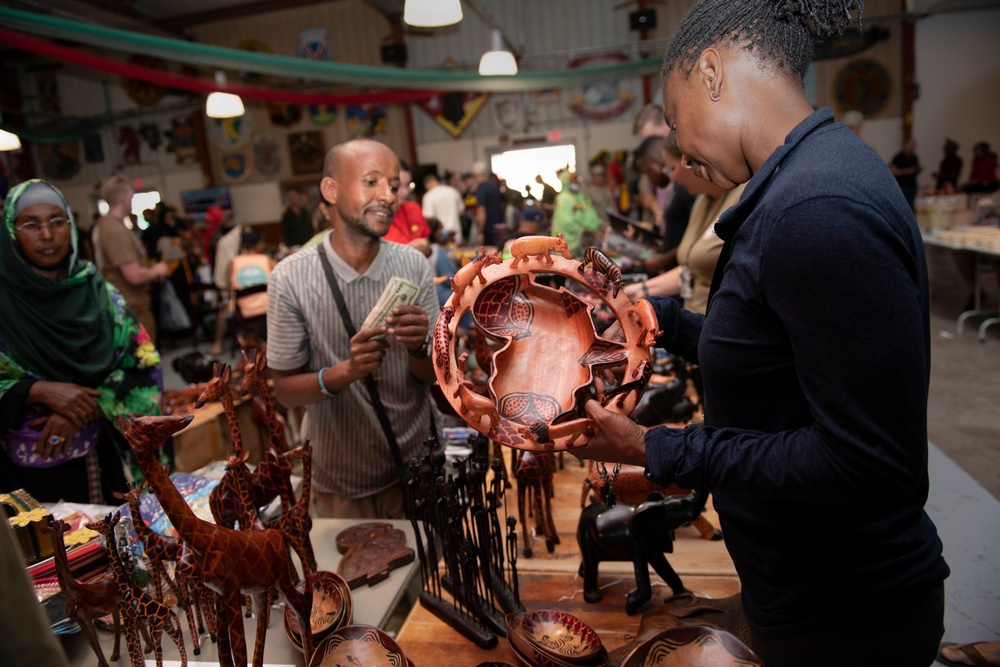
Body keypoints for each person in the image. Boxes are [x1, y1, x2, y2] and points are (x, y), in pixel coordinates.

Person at [575, 2, 949, 665]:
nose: (678, 145)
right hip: (805, 590)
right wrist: (668, 326)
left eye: (673, 114)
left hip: (846, 616)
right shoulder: (798, 184)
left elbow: (867, 461)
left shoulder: (816, 208)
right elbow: (779, 355)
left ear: (710, 73)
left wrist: (659, 447)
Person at [266, 139, 439, 520]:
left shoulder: (413, 265)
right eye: (372, 182)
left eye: (393, 186)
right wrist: (348, 371)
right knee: (350, 579)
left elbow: (431, 378)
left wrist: (418, 348)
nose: (387, 196)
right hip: (340, 482)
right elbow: (285, 390)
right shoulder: (291, 278)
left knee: (421, 576)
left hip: (416, 467)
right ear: (331, 190)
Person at [0, 180, 164, 505]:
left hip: (99, 464)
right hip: (15, 479)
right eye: (31, 225)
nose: (47, 235)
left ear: (71, 226)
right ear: (10, 230)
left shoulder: (99, 294)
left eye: (57, 222)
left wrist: (85, 407)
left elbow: (144, 366)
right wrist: (39, 391)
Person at [627, 135, 746, 315]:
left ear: (695, 162)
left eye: (672, 168)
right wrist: (639, 291)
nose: (672, 178)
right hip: (698, 320)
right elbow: (690, 271)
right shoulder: (701, 203)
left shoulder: (741, 199)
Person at [93, 175, 169, 344]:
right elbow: (134, 276)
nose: (132, 200)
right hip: (131, 307)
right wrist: (156, 270)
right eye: (131, 196)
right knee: (143, 360)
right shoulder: (114, 231)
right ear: (123, 197)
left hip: (128, 305)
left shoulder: (108, 225)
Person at [632, 135, 697, 275]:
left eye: (672, 168)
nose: (672, 176)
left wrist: (663, 260)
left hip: (683, 271)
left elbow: (693, 241)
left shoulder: (688, 190)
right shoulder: (679, 188)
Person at [550, 169, 604, 257]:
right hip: (571, 241)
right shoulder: (563, 198)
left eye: (578, 179)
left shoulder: (580, 196)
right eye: (574, 179)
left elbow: (590, 213)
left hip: (586, 240)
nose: (577, 181)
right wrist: (587, 231)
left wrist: (599, 225)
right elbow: (567, 222)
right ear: (566, 180)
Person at [384, 160, 431, 255]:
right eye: (399, 186)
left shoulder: (414, 209)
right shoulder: (377, 217)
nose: (406, 192)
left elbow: (426, 242)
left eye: (408, 185)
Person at [421, 172, 465, 245]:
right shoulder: (452, 191)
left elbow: (428, 218)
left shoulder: (428, 196)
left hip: (441, 239)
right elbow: (461, 211)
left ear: (427, 184)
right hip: (456, 235)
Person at [473, 161, 504, 248]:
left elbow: (481, 211)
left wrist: (480, 231)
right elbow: (502, 206)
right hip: (498, 228)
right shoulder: (494, 187)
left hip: (488, 230)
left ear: (475, 174)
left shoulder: (481, 189)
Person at [890, 137, 922, 209]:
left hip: (912, 185)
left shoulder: (914, 157)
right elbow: (893, 171)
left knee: (911, 206)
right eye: (912, 145)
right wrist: (908, 171)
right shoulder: (899, 157)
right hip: (902, 185)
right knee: (903, 206)